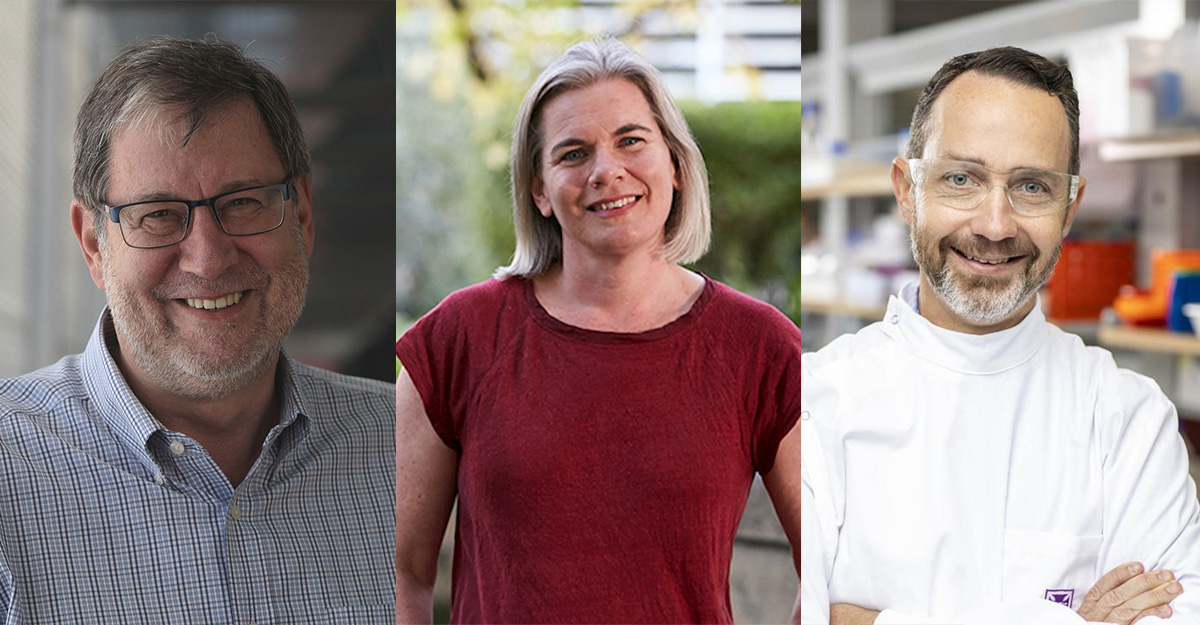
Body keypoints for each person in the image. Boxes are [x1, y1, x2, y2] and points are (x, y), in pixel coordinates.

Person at [395, 37, 803, 623]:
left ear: (676, 164)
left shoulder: (761, 347)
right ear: (539, 190)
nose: (605, 171)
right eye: (572, 153)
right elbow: (399, 572)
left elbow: (830, 563)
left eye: (631, 141)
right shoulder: (458, 339)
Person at [798, 47, 1200, 625]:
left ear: (1069, 207)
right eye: (961, 178)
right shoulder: (815, 403)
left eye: (1032, 187)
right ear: (908, 191)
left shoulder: (1128, 419)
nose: (994, 225)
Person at [0, 36, 395, 622]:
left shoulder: (401, 445)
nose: (207, 260)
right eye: (158, 214)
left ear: (303, 216)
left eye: (242, 202)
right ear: (93, 244)